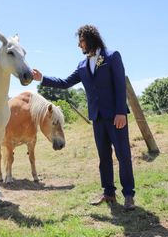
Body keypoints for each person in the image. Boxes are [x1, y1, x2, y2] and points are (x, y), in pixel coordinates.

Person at [32, 25, 136, 210]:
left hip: (115, 116)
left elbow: (120, 85)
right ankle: (108, 193)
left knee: (123, 155)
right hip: (96, 118)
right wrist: (42, 78)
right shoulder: (81, 65)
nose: (79, 45)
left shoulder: (112, 56)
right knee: (104, 157)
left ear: (89, 39)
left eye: (81, 41)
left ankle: (128, 195)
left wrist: (121, 112)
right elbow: (64, 83)